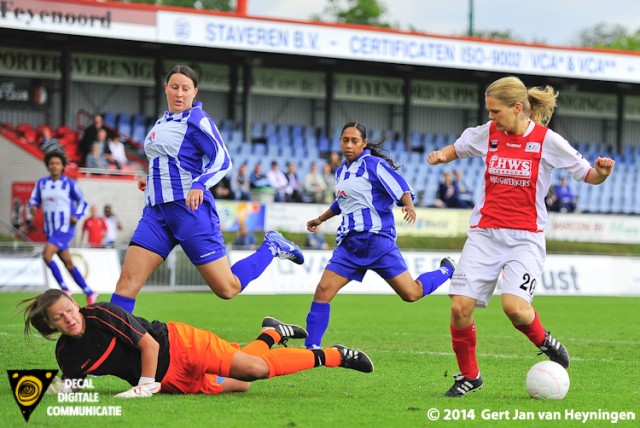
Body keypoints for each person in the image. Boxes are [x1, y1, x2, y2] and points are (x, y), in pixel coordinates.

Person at [426, 76, 615, 397]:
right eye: (488, 111)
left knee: (514, 307)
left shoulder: (547, 140)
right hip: (484, 235)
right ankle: (469, 376)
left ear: (517, 108)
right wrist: (442, 156)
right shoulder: (487, 134)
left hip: (525, 238)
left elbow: (588, 174)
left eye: (495, 111)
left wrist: (603, 172)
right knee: (459, 308)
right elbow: (458, 148)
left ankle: (545, 340)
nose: (490, 117)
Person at [109, 65, 304, 314]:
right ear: (165, 89)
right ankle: (111, 344)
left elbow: (223, 160)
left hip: (189, 211)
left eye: (185, 89)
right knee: (126, 284)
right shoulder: (162, 122)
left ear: (194, 92)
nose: (179, 93)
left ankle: (272, 247)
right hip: (156, 214)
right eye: (175, 87)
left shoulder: (197, 119)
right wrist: (152, 179)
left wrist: (200, 184)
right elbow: (170, 161)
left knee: (227, 288)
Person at [20, 289, 374, 398]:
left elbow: (150, 347)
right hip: (171, 383)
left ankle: (332, 355)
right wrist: (55, 388)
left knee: (253, 369)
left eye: (69, 309)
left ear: (75, 303)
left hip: (180, 344)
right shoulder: (66, 354)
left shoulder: (100, 314)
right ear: (50, 326)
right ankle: (272, 334)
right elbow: (74, 383)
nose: (70, 317)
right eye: (59, 318)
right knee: (242, 385)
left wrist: (143, 386)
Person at [303, 122, 456, 349]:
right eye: (345, 140)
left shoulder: (374, 164)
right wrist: (321, 219)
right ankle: (311, 349)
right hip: (349, 246)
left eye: (354, 140)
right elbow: (342, 201)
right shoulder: (341, 172)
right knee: (322, 291)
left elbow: (401, 186)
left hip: (377, 241)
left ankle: (447, 270)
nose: (349, 145)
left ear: (363, 143)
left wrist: (408, 205)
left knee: (411, 294)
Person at [28, 151, 99, 305]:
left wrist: (77, 216)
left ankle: (65, 289)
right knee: (68, 263)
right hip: (50, 230)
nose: (54, 166)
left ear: (62, 166)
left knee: (47, 255)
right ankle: (89, 291)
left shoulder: (69, 184)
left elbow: (83, 202)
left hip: (65, 228)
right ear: (48, 165)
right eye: (52, 163)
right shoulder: (41, 184)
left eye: (57, 163)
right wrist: (33, 206)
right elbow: (34, 200)